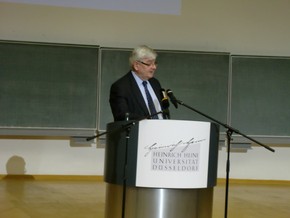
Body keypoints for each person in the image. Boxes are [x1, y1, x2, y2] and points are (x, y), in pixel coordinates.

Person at [109, 45, 168, 121]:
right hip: (138, 131)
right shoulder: (121, 87)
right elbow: (122, 116)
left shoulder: (155, 83)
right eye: (149, 63)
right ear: (136, 65)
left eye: (155, 63)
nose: (154, 67)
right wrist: (148, 122)